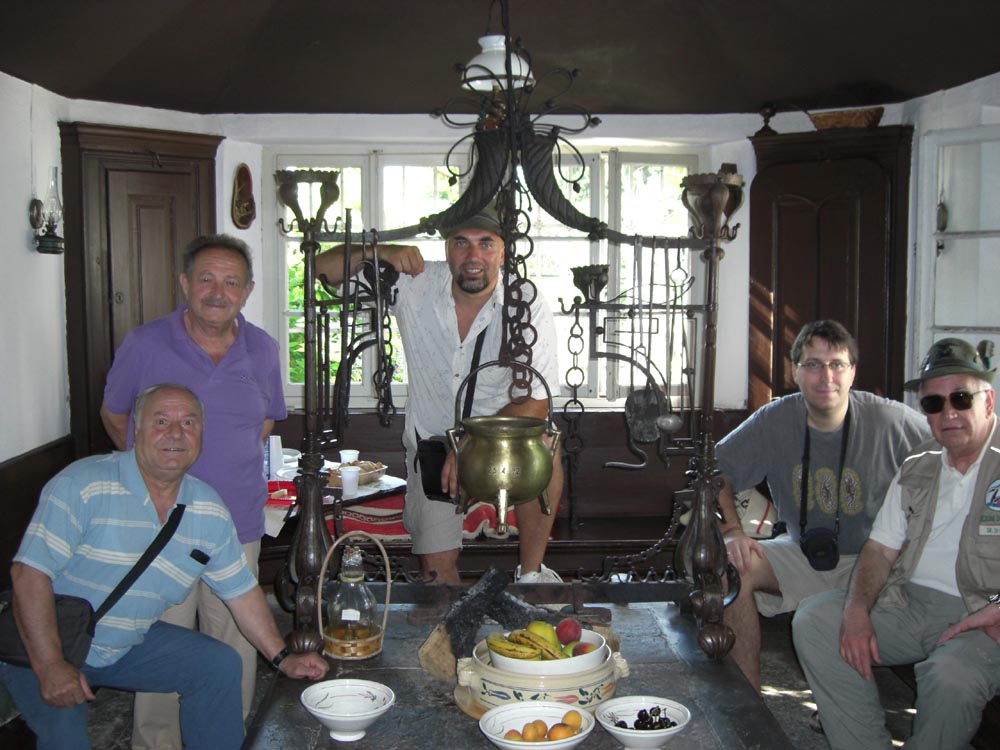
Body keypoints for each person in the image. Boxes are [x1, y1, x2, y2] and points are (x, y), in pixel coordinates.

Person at [0, 384, 327, 750]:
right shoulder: (83, 484)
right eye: (161, 421)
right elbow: (28, 574)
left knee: (216, 663)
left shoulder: (207, 509)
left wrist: (282, 659)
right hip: (43, 644)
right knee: (66, 739)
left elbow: (241, 592)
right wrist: (50, 665)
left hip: (120, 646)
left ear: (201, 434)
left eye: (188, 423)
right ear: (136, 429)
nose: (175, 433)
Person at [99, 234, 285, 749]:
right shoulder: (145, 343)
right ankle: (157, 742)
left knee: (235, 640)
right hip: (159, 523)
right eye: (206, 278)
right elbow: (115, 415)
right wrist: (152, 477)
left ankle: (227, 736)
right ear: (185, 283)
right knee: (163, 641)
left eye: (231, 282)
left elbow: (265, 421)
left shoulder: (263, 348)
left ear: (247, 291)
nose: (217, 292)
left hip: (237, 522)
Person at [315, 204, 563, 584]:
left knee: (546, 444)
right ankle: (450, 616)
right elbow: (320, 270)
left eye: (486, 243)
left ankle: (531, 574)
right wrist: (379, 252)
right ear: (447, 248)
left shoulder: (524, 300)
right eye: (461, 242)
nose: (473, 256)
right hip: (432, 445)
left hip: (501, 443)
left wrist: (470, 444)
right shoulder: (412, 283)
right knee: (435, 573)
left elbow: (537, 400)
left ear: (503, 252)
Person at [793, 337, 1000, 749]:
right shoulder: (918, 465)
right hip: (907, 603)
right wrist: (856, 609)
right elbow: (880, 549)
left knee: (950, 678)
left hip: (981, 615)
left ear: (988, 401)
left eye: (961, 398)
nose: (949, 413)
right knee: (816, 621)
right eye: (934, 403)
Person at [715, 320, 930, 690]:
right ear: (795, 372)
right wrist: (732, 532)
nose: (826, 377)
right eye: (813, 364)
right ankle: (748, 703)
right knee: (731, 569)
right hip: (804, 552)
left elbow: (950, 454)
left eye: (837, 364)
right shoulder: (776, 419)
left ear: (853, 372)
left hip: (877, 562)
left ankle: (842, 699)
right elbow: (712, 473)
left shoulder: (891, 421)